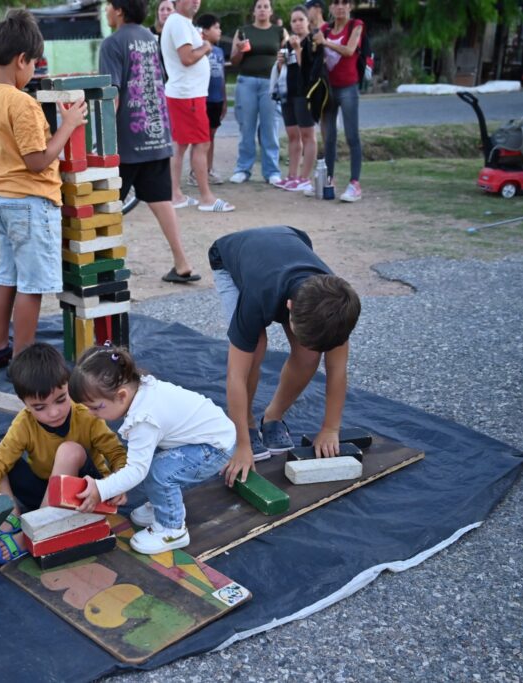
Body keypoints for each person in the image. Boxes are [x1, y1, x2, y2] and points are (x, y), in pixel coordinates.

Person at [0, 9, 88, 369]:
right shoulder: (22, 103)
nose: (35, 71)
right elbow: (38, 160)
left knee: (6, 275)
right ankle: (21, 359)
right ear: (21, 60)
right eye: (34, 64)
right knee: (32, 285)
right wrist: (67, 125)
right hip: (31, 202)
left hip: (0, 198)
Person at [208, 226, 360, 487]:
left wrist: (330, 428)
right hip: (230, 258)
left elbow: (337, 370)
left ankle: (273, 416)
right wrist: (242, 444)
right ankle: (247, 422)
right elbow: (236, 375)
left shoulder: (336, 307)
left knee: (308, 354)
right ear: (289, 307)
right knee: (255, 347)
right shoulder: (257, 296)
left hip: (291, 240)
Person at [68, 344, 236, 555]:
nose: (92, 414)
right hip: (207, 436)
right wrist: (116, 485)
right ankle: (164, 503)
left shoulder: (143, 420)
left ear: (121, 395)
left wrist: (102, 489)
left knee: (159, 472)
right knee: (154, 464)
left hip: (214, 448)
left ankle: (172, 528)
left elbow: (137, 470)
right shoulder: (141, 390)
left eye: (96, 407)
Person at [0, 342, 127, 563]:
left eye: (61, 399)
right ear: (25, 404)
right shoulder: (24, 422)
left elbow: (117, 453)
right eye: (40, 407)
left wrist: (116, 482)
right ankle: (10, 521)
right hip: (45, 494)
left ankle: (32, 533)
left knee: (69, 450)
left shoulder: (85, 414)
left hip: (85, 492)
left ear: (69, 386)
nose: (54, 412)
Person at [100, 0, 201, 285]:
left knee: (104, 207)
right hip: (156, 136)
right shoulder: (148, 38)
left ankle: (103, 268)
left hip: (127, 141)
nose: (107, 10)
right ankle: (182, 263)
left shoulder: (112, 44)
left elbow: (113, 94)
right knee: (161, 201)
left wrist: (102, 141)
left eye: (109, 5)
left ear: (119, 10)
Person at [160, 0, 234, 212]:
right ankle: (206, 198)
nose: (195, 2)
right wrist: (205, 47)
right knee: (202, 143)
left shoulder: (180, 22)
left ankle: (175, 194)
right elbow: (187, 58)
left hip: (185, 94)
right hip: (188, 95)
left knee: (181, 145)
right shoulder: (180, 23)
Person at [229, 0, 286, 185]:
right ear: (254, 11)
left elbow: (288, 56)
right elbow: (234, 60)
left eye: (265, 7)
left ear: (271, 11)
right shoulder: (243, 31)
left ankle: (272, 171)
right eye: (259, 7)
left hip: (270, 84)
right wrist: (239, 51)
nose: (262, 10)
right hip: (247, 82)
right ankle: (243, 169)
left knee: (270, 127)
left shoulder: (279, 31)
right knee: (247, 126)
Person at [314, 0, 364, 202]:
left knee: (352, 135)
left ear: (351, 6)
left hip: (348, 87)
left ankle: (354, 183)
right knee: (329, 137)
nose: (340, 7)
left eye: (345, 3)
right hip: (329, 88)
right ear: (331, 8)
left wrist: (324, 42)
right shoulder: (325, 29)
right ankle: (329, 179)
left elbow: (350, 50)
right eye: (336, 3)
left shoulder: (356, 25)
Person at [275, 4, 317, 193]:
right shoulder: (288, 43)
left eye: (301, 19)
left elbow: (308, 69)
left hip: (305, 93)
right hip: (288, 94)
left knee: (308, 135)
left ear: (308, 21)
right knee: (293, 135)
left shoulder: (312, 41)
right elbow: (284, 71)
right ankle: (292, 175)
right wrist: (279, 64)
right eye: (294, 20)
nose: (298, 24)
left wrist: (298, 49)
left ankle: (305, 177)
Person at [195, 14, 227, 186]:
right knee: (201, 137)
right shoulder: (198, 49)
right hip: (202, 98)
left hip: (216, 99)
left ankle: (208, 169)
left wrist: (224, 99)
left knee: (211, 135)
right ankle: (196, 172)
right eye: (216, 27)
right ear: (205, 31)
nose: (219, 30)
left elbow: (222, 76)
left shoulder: (220, 51)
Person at [151, 0, 174, 81]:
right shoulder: (149, 33)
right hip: (155, 80)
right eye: (162, 9)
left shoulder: (179, 34)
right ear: (157, 13)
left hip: (174, 80)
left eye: (169, 9)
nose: (165, 13)